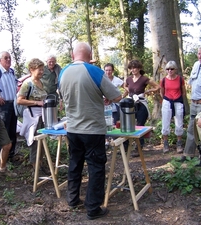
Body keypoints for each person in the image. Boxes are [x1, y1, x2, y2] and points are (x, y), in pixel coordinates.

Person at [59, 42, 122, 220]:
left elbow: (63, 96)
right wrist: (104, 98)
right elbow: (116, 96)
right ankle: (93, 207)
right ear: (89, 55)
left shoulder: (63, 72)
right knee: (95, 167)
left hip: (72, 127)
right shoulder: (94, 71)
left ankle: (72, 199)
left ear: (73, 55)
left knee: (75, 163)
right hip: (92, 129)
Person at [17, 58, 48, 174]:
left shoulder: (41, 82)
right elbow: (19, 100)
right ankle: (36, 170)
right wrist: (36, 103)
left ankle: (41, 164)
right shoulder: (27, 84)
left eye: (42, 69)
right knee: (35, 142)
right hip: (33, 117)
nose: (41, 72)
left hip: (43, 116)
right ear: (32, 70)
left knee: (43, 141)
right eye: (39, 70)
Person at [124, 59, 160, 157]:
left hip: (141, 103)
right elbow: (125, 86)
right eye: (131, 68)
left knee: (140, 125)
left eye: (135, 67)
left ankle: (138, 147)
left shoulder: (144, 79)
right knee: (128, 124)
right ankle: (125, 147)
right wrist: (129, 93)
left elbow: (157, 86)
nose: (133, 69)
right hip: (131, 103)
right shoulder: (129, 79)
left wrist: (148, 91)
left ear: (139, 68)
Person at [181, 43, 201, 162]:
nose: (200, 56)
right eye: (199, 53)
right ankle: (188, 155)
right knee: (191, 130)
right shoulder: (196, 65)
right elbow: (192, 82)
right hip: (194, 103)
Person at [0, 51, 17, 163]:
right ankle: (1, 159)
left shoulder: (11, 72)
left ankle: (10, 156)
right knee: (4, 132)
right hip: (3, 106)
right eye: (5, 58)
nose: (8, 60)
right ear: (0, 60)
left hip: (13, 104)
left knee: (12, 130)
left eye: (9, 58)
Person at [160, 61, 186, 153]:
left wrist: (179, 100)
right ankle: (166, 143)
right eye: (168, 69)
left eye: (171, 69)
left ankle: (179, 143)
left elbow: (183, 91)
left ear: (175, 69)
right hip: (167, 101)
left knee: (179, 122)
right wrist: (166, 99)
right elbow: (162, 92)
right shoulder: (163, 80)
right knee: (165, 122)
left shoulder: (180, 79)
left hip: (178, 101)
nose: (169, 71)